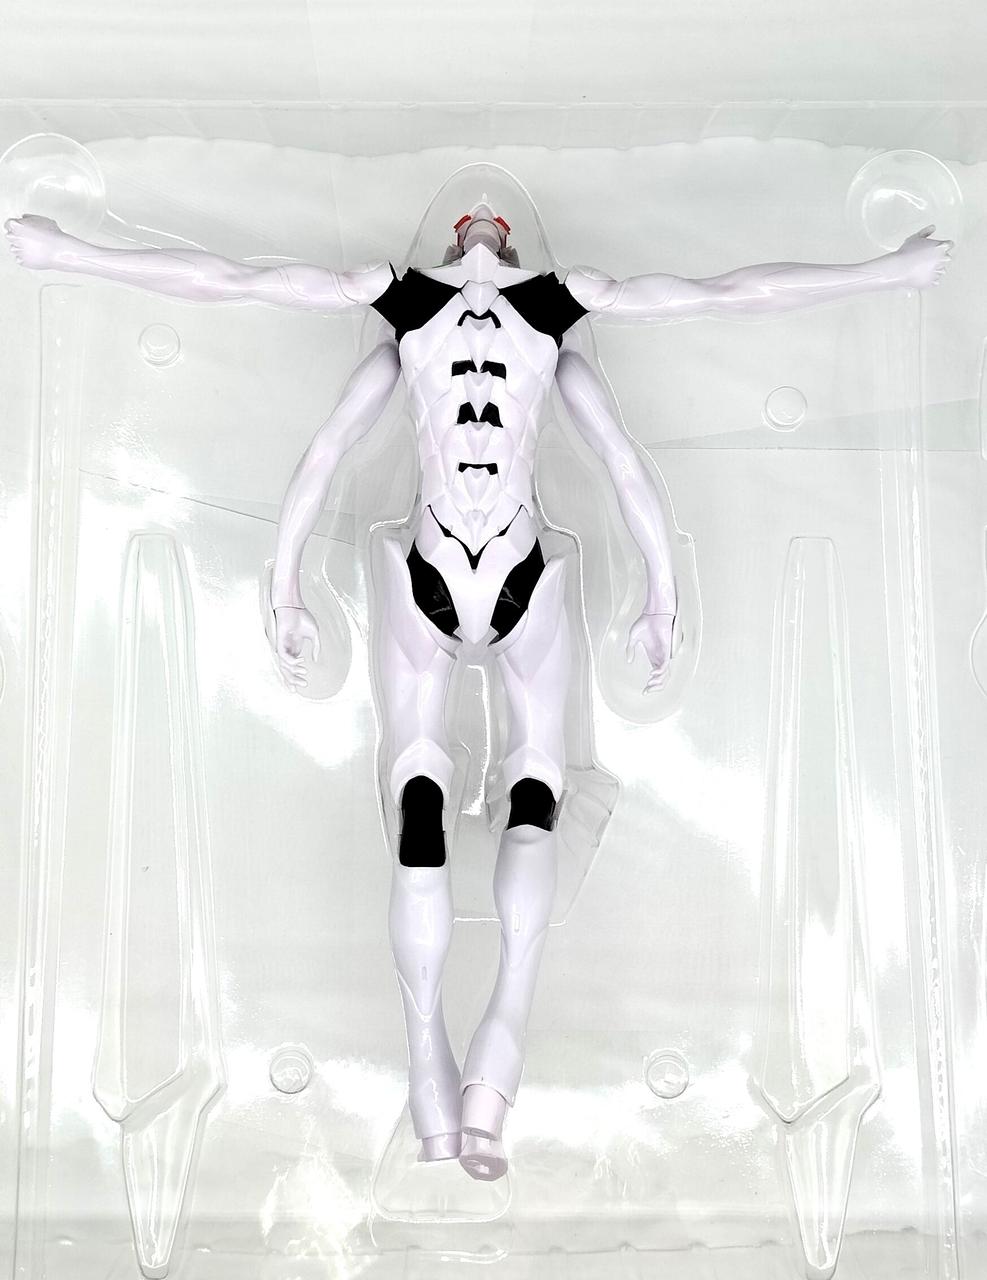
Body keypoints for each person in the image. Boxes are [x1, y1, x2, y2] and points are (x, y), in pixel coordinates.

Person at [4, 199, 951, 1181]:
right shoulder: (416, 304)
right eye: (474, 221)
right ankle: (435, 1068)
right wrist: (70, 253)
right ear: (462, 236)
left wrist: (886, 273)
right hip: (446, 576)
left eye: (488, 221)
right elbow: (268, 339)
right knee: (427, 802)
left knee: (529, 796)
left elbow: (697, 339)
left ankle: (487, 1063)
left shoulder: (540, 308)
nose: (483, 227)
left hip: (508, 578)